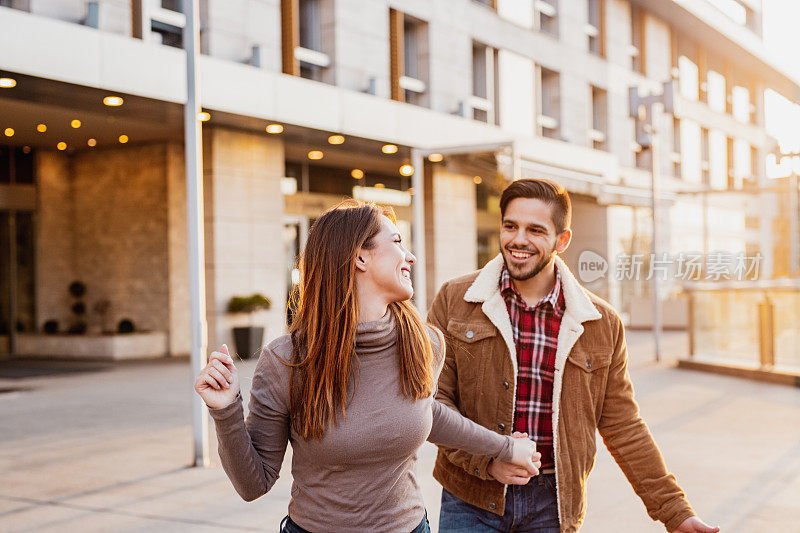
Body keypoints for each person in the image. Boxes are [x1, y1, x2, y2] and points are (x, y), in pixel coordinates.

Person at [194, 200, 541, 533]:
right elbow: (253, 483)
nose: (411, 256)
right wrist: (225, 410)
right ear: (360, 256)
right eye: (397, 241)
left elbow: (427, 412)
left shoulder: (424, 343)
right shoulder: (286, 361)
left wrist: (504, 447)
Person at [428, 178, 720, 533]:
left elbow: (623, 426)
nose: (519, 239)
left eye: (535, 230)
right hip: (470, 498)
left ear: (562, 240)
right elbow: (433, 402)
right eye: (511, 226)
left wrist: (676, 512)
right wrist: (488, 461)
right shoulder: (455, 300)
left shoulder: (601, 323)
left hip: (553, 504)